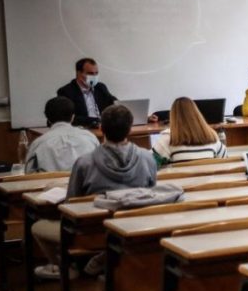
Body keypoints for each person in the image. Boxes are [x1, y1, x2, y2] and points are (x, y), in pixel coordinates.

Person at [31, 104, 157, 280]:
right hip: (135, 228)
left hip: (92, 234)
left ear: (101, 128)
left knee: (37, 226)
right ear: (129, 128)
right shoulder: (147, 157)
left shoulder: (85, 162)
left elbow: (71, 203)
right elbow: (150, 193)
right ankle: (113, 259)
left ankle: (66, 266)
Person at [24, 96, 99, 173]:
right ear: (73, 117)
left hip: (51, 184)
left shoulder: (38, 144)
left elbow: (28, 174)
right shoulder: (90, 138)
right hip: (86, 184)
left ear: (47, 118)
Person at [151, 97, 228, 166]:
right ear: (197, 113)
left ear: (173, 116)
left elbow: (151, 163)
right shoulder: (211, 134)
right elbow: (225, 160)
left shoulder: (168, 137)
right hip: (209, 181)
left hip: (179, 181)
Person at [56, 57, 118, 127]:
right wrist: (94, 121)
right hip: (81, 130)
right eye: (90, 73)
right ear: (79, 73)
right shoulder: (66, 91)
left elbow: (113, 102)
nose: (94, 76)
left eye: (96, 73)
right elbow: (68, 118)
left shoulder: (100, 87)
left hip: (102, 129)